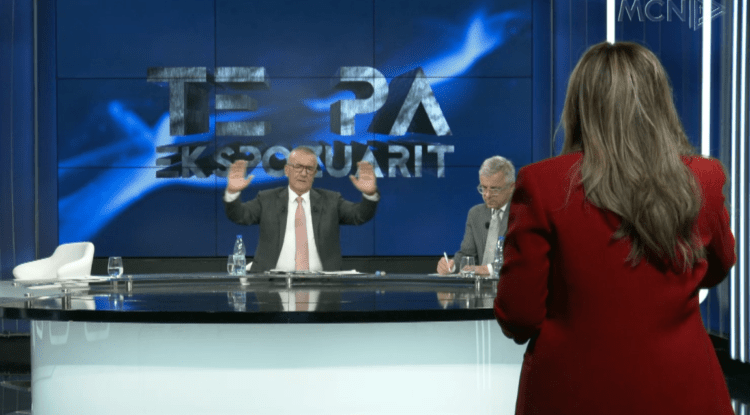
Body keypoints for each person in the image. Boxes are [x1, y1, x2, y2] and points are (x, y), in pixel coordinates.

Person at [494, 41, 735, 414]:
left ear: (579, 106)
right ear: (659, 101)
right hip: (683, 390)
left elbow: (519, 315)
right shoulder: (703, 178)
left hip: (570, 394)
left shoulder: (541, 184)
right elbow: (716, 267)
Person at [224, 146, 379, 273]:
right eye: (298, 167)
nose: (304, 173)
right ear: (287, 170)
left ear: (315, 173)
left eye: (309, 169)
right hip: (271, 286)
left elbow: (359, 215)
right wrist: (232, 192)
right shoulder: (266, 199)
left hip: (323, 285)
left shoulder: (331, 201)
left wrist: (369, 194)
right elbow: (240, 216)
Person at [436, 156, 515, 276]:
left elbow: (522, 257)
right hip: (479, 286)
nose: (487, 195)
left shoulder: (523, 214)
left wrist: (487, 269)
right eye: (484, 188)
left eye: (494, 189)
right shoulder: (476, 214)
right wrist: (452, 266)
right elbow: (467, 255)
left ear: (511, 187)